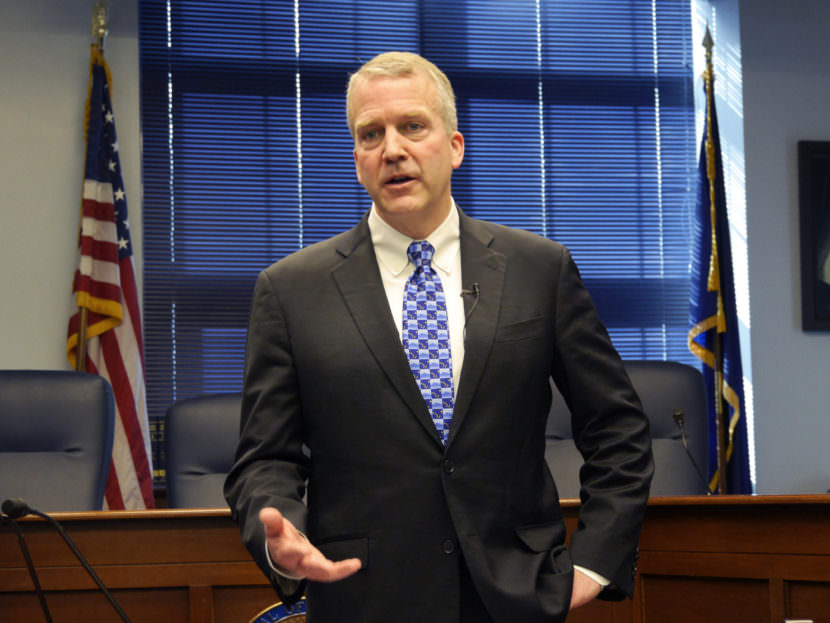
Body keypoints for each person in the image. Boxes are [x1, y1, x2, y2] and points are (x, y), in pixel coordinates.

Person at [224, 51, 653, 623]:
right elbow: (264, 459)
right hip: (365, 597)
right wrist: (279, 536)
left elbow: (617, 427)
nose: (392, 149)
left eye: (412, 127)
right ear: (357, 159)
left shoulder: (538, 268)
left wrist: (594, 564)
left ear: (454, 146)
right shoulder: (290, 289)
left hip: (517, 594)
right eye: (370, 134)